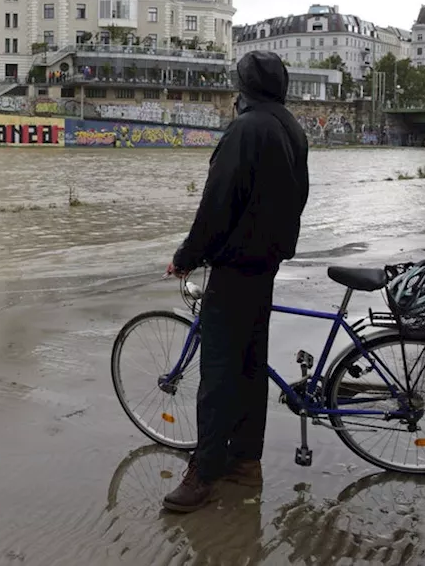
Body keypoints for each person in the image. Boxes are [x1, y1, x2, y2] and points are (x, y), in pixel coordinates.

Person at [162, 50, 310, 513]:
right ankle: (245, 462)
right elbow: (299, 194)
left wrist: (187, 256)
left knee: (219, 373)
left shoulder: (245, 129)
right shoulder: (290, 127)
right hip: (265, 263)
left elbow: (217, 204)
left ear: (242, 89)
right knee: (250, 367)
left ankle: (203, 472)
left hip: (235, 266)